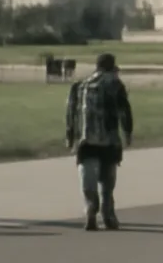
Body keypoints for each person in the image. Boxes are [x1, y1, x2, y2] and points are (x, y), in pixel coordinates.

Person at [65, 52, 134, 231]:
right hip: (109, 139)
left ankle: (90, 208)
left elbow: (70, 112)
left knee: (87, 176)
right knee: (107, 180)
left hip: (85, 141)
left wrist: (69, 136)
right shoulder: (115, 85)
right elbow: (124, 110)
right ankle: (107, 211)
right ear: (112, 67)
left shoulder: (79, 86)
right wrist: (127, 132)